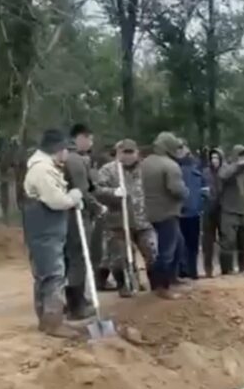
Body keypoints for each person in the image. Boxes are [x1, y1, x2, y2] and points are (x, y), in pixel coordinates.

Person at [23, 129, 84, 337]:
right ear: (58, 149)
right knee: (53, 274)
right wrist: (74, 197)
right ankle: (53, 321)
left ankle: (47, 319)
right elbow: (56, 201)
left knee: (46, 274)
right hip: (44, 229)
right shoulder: (42, 170)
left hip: (47, 229)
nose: (68, 154)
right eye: (67, 149)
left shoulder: (47, 167)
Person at [94, 140, 157, 298]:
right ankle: (125, 285)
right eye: (124, 152)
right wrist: (113, 193)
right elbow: (96, 190)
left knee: (152, 252)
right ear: (118, 153)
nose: (128, 156)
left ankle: (156, 285)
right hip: (118, 221)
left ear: (137, 153)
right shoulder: (108, 170)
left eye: (131, 152)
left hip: (143, 220)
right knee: (119, 258)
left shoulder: (146, 169)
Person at [140, 132, 188, 299]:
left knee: (177, 245)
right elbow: (176, 189)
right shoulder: (170, 165)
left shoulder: (145, 163)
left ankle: (167, 280)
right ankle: (162, 286)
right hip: (167, 212)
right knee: (167, 251)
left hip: (149, 211)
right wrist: (186, 193)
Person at [62, 124, 101, 320]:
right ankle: (76, 305)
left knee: (69, 259)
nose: (91, 143)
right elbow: (83, 191)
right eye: (90, 139)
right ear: (81, 137)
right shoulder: (75, 159)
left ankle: (74, 301)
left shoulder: (60, 156)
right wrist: (97, 207)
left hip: (60, 215)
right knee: (78, 257)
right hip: (75, 214)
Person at [217, 145, 244, 273]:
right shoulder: (227, 167)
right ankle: (227, 271)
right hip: (230, 210)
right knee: (228, 241)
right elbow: (222, 176)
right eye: (241, 155)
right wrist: (237, 166)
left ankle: (243, 270)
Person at [176, 140, 208, 278]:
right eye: (178, 148)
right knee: (178, 243)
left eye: (183, 147)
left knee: (193, 243)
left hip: (194, 212)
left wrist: (201, 203)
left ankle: (192, 270)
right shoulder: (172, 166)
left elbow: (204, 187)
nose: (181, 150)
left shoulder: (196, 166)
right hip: (178, 212)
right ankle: (181, 271)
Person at [201, 148, 224, 277]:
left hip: (223, 209)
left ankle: (225, 268)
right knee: (207, 242)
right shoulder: (205, 172)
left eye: (217, 158)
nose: (214, 160)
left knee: (225, 240)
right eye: (212, 158)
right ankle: (208, 270)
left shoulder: (225, 172)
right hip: (208, 209)